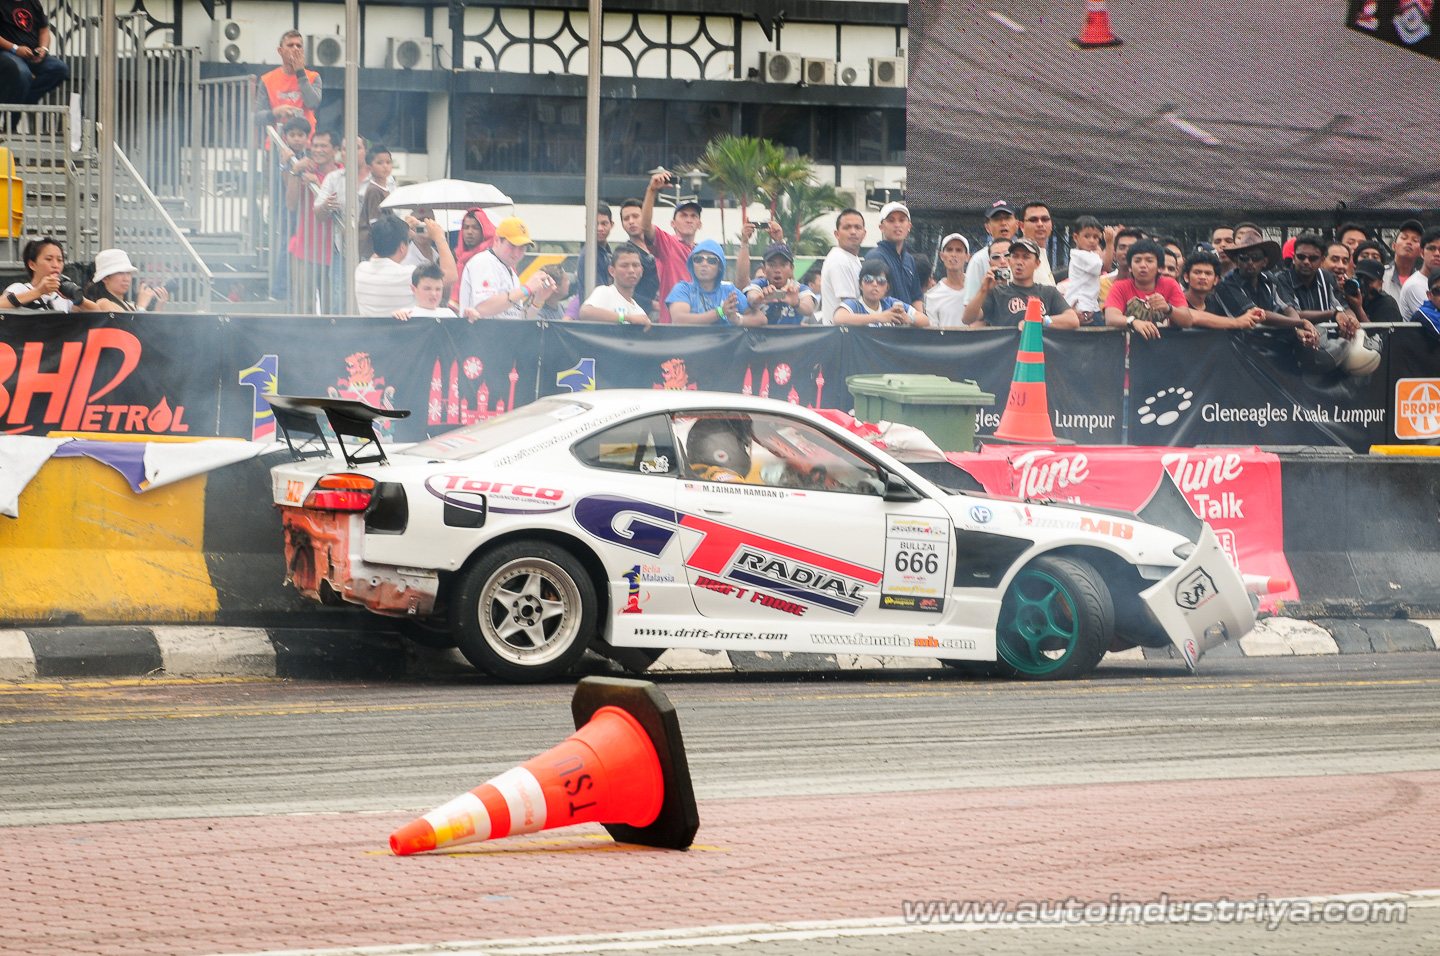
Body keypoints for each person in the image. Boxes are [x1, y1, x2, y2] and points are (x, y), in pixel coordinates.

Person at [1214, 226, 1318, 347]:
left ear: (1264, 261)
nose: (1250, 262)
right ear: (1236, 260)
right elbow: (1258, 314)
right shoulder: (1225, 285)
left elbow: (1288, 308)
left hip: (1271, 343)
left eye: (1256, 258)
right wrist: (1300, 322)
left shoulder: (1270, 279)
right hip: (1238, 347)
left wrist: (1298, 328)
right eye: (1244, 257)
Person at [963, 237, 1076, 329]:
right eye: (1015, 256)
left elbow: (1072, 320)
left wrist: (1039, 321)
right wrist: (983, 290)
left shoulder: (1048, 292)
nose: (1019, 262)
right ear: (1009, 261)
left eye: (1026, 257)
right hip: (1006, 355)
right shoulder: (996, 292)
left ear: (1037, 263)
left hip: (1038, 354)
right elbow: (968, 319)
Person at [357, 212, 457, 317]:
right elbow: (451, 275)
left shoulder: (361, 270)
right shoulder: (407, 274)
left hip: (370, 332)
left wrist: (397, 233)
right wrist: (439, 237)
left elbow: (380, 250)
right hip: (403, 332)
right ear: (402, 248)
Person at [286, 128, 341, 312]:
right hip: (305, 250)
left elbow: (341, 203)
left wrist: (318, 184)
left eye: (324, 146)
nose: (318, 150)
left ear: (335, 150)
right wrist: (294, 172)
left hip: (334, 253)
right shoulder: (305, 171)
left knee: (331, 307)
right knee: (304, 307)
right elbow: (291, 204)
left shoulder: (343, 175)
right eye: (315, 146)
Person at [458, 216, 553, 321]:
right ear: (497, 241)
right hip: (479, 335)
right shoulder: (484, 261)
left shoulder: (511, 272)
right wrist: (526, 289)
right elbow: (484, 308)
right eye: (512, 245)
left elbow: (518, 318)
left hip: (502, 335)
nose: (517, 253)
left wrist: (538, 300)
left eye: (522, 247)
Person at [640, 170, 702, 323]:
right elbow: (646, 226)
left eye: (693, 216)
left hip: (700, 325)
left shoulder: (704, 253)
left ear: (699, 224)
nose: (689, 220)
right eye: (683, 215)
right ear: (673, 224)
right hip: (671, 326)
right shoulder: (667, 243)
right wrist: (652, 190)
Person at [1103, 239, 1196, 339]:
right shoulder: (1120, 286)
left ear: (1159, 267)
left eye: (1149, 260)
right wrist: (1133, 322)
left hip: (1165, 348)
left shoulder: (1170, 284)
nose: (1143, 265)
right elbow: (1110, 317)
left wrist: (1168, 308)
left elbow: (1187, 321)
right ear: (1130, 267)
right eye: (1137, 261)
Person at [1276, 233, 1358, 337]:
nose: (1306, 262)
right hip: (1295, 340)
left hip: (1328, 339)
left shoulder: (1327, 277)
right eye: (1301, 257)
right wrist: (1334, 313)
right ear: (1293, 258)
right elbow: (1293, 313)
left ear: (1322, 261)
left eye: (1313, 258)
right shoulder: (1281, 279)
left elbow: (1344, 307)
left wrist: (1351, 320)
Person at [665, 238, 760, 325]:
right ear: (692, 263)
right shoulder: (683, 289)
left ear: (720, 267)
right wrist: (720, 312)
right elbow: (680, 319)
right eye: (698, 259)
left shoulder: (729, 291)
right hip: (690, 344)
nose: (704, 264)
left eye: (712, 260)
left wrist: (738, 320)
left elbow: (761, 318)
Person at [0, 0, 68, 106]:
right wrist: (15, 49)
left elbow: (44, 30)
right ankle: (15, 115)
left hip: (33, 53)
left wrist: (43, 49)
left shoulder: (33, 2)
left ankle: (24, 102)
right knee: (23, 73)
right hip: (9, 54)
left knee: (60, 69)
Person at [3, 237, 100, 311]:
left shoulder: (63, 295)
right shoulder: (20, 289)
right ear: (32, 264)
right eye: (49, 259)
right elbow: (2, 304)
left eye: (59, 260)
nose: (55, 265)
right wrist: (39, 292)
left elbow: (99, 315)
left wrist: (78, 298)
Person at [253, 30, 320, 136]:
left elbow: (313, 104)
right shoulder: (267, 80)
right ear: (280, 51)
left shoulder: (313, 77)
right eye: (290, 45)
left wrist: (300, 73)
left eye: (298, 46)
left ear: (302, 50)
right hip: (276, 143)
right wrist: (276, 112)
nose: (295, 49)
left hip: (305, 143)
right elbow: (258, 117)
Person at [864, 202, 926, 315]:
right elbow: (874, 298)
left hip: (908, 327)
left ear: (909, 227)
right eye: (891, 220)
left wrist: (919, 322)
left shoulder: (909, 259)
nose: (897, 225)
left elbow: (916, 297)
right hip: (885, 327)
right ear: (881, 227)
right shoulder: (875, 257)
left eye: (902, 220)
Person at [834, 259, 930, 327]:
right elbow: (839, 318)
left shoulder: (891, 303)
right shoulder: (854, 305)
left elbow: (925, 320)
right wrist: (879, 317)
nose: (875, 284)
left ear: (887, 287)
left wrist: (909, 318)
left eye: (881, 280)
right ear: (860, 285)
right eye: (868, 279)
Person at [1181, 250, 1259, 330]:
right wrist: (1237, 322)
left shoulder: (1217, 303)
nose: (1203, 277)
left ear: (1215, 280)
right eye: (1197, 272)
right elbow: (1191, 316)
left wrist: (1255, 314)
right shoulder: (1177, 300)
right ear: (1186, 277)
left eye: (1208, 273)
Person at [578, 244, 652, 327]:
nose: (631, 270)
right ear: (612, 271)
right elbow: (585, 312)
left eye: (635, 265)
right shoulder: (605, 292)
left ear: (641, 271)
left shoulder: (639, 312)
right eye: (624, 265)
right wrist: (625, 318)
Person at [964, 200, 1020, 305]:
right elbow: (969, 304)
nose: (1003, 223)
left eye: (1008, 218)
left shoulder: (1025, 255)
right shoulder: (978, 260)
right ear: (987, 227)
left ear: (1017, 224)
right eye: (997, 219)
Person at [85, 249, 168, 312]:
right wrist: (141, 306)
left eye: (128, 273)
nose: (126, 279)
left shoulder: (129, 306)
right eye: (120, 273)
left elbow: (147, 332)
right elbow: (128, 330)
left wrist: (158, 308)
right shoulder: (103, 303)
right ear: (105, 278)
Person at [820, 207, 866, 324]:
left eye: (858, 227)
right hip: (840, 336)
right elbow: (849, 306)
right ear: (837, 234)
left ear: (864, 233)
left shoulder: (852, 259)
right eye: (847, 227)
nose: (853, 231)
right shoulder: (839, 260)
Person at [742, 243, 803, 326]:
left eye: (783, 265)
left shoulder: (798, 288)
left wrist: (796, 303)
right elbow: (752, 295)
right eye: (772, 265)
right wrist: (757, 300)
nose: (777, 270)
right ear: (763, 269)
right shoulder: (758, 284)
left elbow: (809, 308)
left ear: (791, 268)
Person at [1062, 216, 1109, 323]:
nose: (1092, 240)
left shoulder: (1088, 255)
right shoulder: (1081, 255)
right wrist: (1110, 243)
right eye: (1087, 236)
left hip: (1089, 305)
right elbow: (1106, 266)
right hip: (1083, 307)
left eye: (1096, 237)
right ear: (1075, 237)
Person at [924, 233, 971, 328]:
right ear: (941, 256)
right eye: (949, 250)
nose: (953, 254)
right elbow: (932, 333)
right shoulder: (931, 296)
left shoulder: (979, 289)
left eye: (959, 250)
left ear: (967, 257)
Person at [1398, 227, 1440, 322]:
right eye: (1432, 248)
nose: (1437, 253)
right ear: (1421, 252)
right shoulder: (1415, 285)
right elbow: (1434, 321)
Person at [392, 263, 459, 320]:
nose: (433, 293)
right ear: (413, 289)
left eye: (438, 289)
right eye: (427, 288)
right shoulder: (406, 315)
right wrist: (396, 318)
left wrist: (468, 318)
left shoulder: (448, 314)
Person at [1345, 258, 1401, 325]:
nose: (1363, 283)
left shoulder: (1387, 303)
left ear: (1380, 284)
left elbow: (1377, 333)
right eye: (1360, 279)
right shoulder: (1351, 297)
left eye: (1369, 280)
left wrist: (1358, 309)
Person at [575, 203, 614, 296]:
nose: (600, 228)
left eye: (604, 223)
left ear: (612, 225)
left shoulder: (607, 253)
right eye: (595, 224)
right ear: (586, 226)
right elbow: (600, 294)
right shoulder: (588, 255)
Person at [1384, 219, 1424, 302]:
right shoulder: (1381, 274)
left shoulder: (1424, 282)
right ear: (1394, 246)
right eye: (1404, 238)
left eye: (1415, 240)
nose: (1409, 242)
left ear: (1421, 252)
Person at [1018, 201, 1057, 284]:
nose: (1040, 224)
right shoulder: (1022, 254)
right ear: (1022, 226)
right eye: (1033, 220)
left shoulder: (1040, 251)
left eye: (1045, 219)